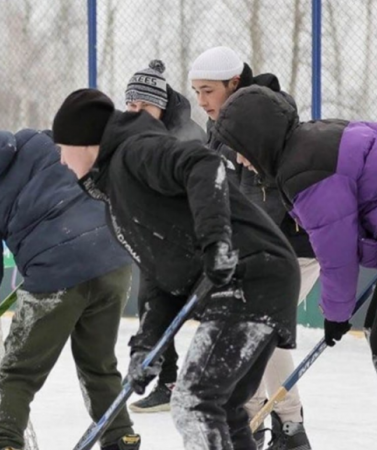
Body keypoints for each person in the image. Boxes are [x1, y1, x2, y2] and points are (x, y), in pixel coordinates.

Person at [52, 88, 301, 450]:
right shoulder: (115, 196)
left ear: (83, 141)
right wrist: (147, 348)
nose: (60, 159)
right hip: (252, 277)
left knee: (195, 401)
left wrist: (216, 242)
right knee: (226, 407)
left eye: (62, 147)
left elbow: (203, 164)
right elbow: (161, 277)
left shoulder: (137, 151)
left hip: (249, 272)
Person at [213, 84, 377, 450]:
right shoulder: (316, 134)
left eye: (241, 150)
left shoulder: (302, 170)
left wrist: (335, 313)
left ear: (257, 140)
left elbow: (335, 252)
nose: (241, 161)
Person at [0, 102, 141, 450]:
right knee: (99, 364)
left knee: (18, 371)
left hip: (56, 275)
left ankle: (5, 443)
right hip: (111, 257)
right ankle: (121, 438)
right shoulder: (35, 141)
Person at [189, 45, 316, 449]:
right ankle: (263, 419)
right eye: (196, 91)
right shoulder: (224, 126)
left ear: (234, 83)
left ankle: (289, 426)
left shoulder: (259, 122)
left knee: (259, 328)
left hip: (293, 248)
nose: (202, 101)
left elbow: (263, 202)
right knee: (257, 332)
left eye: (208, 90)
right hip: (264, 250)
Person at [122, 59, 205, 414]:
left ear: (161, 104)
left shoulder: (187, 135)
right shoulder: (133, 134)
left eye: (144, 105)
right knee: (150, 308)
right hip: (156, 242)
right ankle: (169, 381)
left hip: (195, 242)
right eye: (131, 105)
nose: (136, 112)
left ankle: (219, 390)